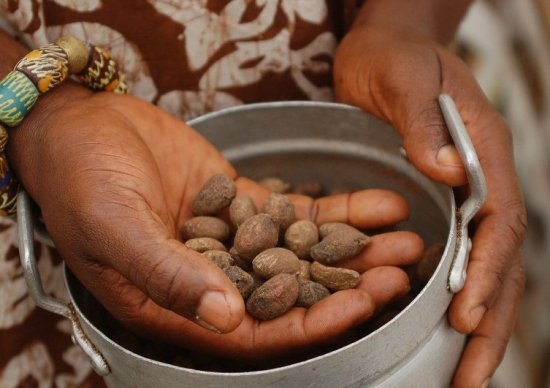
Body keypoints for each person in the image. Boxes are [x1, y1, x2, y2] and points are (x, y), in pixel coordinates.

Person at [0, 1, 526, 387]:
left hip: (337, 79)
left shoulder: (283, 245)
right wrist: (40, 118)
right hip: (43, 176)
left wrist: (402, 23)